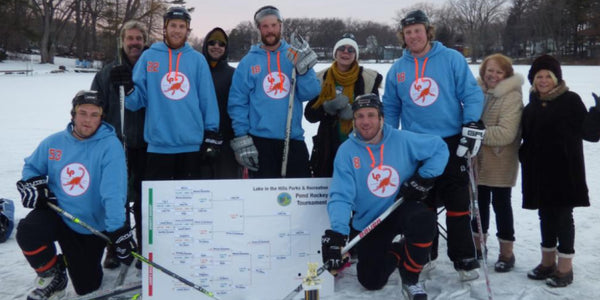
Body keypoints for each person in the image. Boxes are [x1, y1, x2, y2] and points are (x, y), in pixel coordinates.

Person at [382, 9, 485, 280]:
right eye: (408, 32)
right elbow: (391, 107)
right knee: (422, 202)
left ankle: (463, 257)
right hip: (417, 145)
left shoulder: (451, 58)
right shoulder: (398, 69)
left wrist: (471, 124)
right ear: (402, 37)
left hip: (450, 141)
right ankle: (424, 254)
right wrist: (390, 138)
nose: (413, 36)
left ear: (428, 31)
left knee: (457, 202)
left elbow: (470, 93)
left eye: (418, 30)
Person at [322, 93, 448, 300]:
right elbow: (341, 195)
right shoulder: (346, 151)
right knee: (371, 281)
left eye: (371, 115)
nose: (365, 121)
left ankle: (410, 277)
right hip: (371, 220)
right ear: (353, 120)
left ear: (381, 118)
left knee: (423, 219)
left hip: (400, 208)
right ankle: (398, 250)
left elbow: (439, 148)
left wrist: (424, 178)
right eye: (360, 116)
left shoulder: (402, 139)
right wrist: (337, 233)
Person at [15, 90, 135, 299]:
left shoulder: (110, 146)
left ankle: (78, 265)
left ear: (101, 117)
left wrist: (117, 230)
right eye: (82, 113)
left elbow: (113, 192)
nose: (87, 120)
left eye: (94, 114)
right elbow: (31, 168)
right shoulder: (54, 143)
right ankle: (53, 275)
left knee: (87, 288)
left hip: (91, 227)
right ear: (73, 114)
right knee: (28, 231)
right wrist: (35, 185)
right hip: (59, 214)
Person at [111, 6, 221, 181]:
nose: (177, 30)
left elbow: (207, 99)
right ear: (165, 28)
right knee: (159, 204)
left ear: (187, 30)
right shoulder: (149, 57)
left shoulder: (197, 60)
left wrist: (211, 132)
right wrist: (127, 88)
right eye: (173, 25)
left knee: (187, 203)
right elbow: (136, 102)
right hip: (158, 145)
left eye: (181, 26)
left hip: (191, 145)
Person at [520, 54, 592, 288]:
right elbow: (527, 136)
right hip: (539, 172)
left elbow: (590, 134)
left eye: (547, 76)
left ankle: (565, 268)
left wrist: (597, 116)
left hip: (565, 172)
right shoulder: (531, 105)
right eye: (539, 76)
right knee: (545, 216)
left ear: (556, 78)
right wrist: (524, 154)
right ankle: (547, 262)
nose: (543, 81)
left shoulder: (570, 100)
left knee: (563, 218)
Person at [228, 5, 321, 178]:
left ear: (280, 26)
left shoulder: (293, 54)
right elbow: (237, 102)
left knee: (297, 197)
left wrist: (305, 69)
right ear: (259, 29)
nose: (270, 30)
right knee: (264, 200)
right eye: (265, 26)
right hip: (261, 142)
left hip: (293, 139)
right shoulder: (248, 62)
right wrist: (242, 137)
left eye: (273, 25)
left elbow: (310, 92)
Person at [91, 20, 148, 269]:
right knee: (117, 198)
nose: (134, 43)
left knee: (144, 198)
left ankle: (146, 244)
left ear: (144, 41)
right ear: (122, 41)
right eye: (130, 38)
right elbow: (94, 108)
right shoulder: (106, 72)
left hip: (148, 143)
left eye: (139, 38)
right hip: (116, 144)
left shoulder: (152, 68)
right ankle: (115, 246)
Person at [470, 54, 523, 273]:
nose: (493, 75)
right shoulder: (476, 91)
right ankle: (477, 247)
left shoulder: (511, 96)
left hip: (501, 159)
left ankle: (506, 252)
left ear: (506, 75)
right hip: (477, 159)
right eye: (490, 70)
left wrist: (475, 133)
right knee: (477, 204)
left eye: (499, 72)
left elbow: (506, 133)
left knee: (501, 204)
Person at [304, 33, 383, 177]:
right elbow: (310, 114)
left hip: (360, 146)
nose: (346, 52)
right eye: (342, 48)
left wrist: (355, 114)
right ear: (335, 52)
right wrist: (326, 109)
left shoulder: (367, 78)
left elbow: (378, 114)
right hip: (328, 148)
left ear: (355, 54)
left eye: (351, 49)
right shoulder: (322, 77)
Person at [200, 27, 241, 179]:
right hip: (200, 140)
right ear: (205, 45)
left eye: (221, 44)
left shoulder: (234, 74)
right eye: (212, 43)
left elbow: (239, 106)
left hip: (226, 142)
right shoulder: (197, 71)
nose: (216, 47)